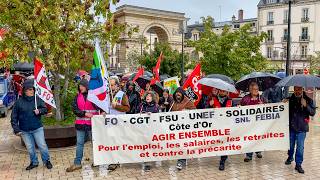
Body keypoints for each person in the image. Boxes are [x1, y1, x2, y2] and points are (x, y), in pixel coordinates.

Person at [11, 79, 52, 170]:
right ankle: (34, 162)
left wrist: (40, 111)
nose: (32, 91)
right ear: (25, 90)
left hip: (37, 127)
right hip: (24, 130)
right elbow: (13, 117)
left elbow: (45, 109)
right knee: (30, 148)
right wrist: (16, 129)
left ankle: (47, 161)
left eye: (33, 89)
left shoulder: (37, 99)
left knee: (42, 145)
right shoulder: (18, 102)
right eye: (30, 89)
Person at [66, 79, 101, 172]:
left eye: (82, 86)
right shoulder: (77, 96)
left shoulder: (93, 96)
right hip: (80, 125)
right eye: (79, 86)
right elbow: (75, 109)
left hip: (92, 124)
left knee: (94, 143)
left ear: (87, 86)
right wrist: (84, 113)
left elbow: (99, 107)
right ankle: (77, 163)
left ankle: (97, 161)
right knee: (79, 144)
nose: (80, 87)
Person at [284, 86, 316, 174]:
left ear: (302, 89)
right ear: (294, 89)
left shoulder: (309, 100)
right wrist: (284, 104)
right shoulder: (289, 99)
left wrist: (306, 105)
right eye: (295, 89)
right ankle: (290, 157)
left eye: (299, 89)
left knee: (300, 147)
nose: (297, 91)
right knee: (290, 145)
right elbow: (283, 111)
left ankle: (298, 164)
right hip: (291, 127)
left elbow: (312, 113)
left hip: (302, 128)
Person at [108, 76, 130, 171]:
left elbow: (127, 108)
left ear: (117, 85)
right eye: (110, 85)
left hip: (119, 122)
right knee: (111, 141)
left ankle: (116, 161)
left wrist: (117, 106)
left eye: (112, 85)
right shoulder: (108, 95)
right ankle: (113, 159)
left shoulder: (122, 95)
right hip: (109, 122)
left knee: (117, 141)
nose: (111, 87)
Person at [170, 87, 196, 170]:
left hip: (185, 128)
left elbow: (195, 112)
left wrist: (185, 111)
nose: (177, 94)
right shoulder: (173, 103)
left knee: (182, 144)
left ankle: (181, 161)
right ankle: (182, 159)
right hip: (175, 128)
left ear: (182, 94)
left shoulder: (188, 102)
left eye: (179, 93)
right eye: (176, 93)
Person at [240, 82, 266, 162]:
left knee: (258, 137)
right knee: (249, 138)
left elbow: (268, 108)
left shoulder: (262, 98)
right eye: (254, 89)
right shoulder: (245, 98)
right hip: (249, 123)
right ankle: (249, 155)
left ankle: (258, 151)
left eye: (257, 89)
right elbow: (240, 108)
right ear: (250, 90)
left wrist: (264, 105)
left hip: (259, 123)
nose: (256, 91)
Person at [210, 89, 233, 171]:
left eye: (224, 91)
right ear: (218, 91)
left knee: (225, 143)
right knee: (220, 142)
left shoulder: (230, 101)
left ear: (227, 92)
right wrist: (210, 105)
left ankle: (222, 161)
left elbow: (234, 112)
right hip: (217, 126)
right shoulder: (213, 99)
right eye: (221, 91)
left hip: (227, 126)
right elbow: (206, 112)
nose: (222, 92)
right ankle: (224, 156)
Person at [139, 91, 160, 171]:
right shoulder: (141, 105)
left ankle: (149, 162)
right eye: (147, 96)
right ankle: (145, 161)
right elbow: (136, 114)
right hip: (142, 128)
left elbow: (158, 117)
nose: (148, 97)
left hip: (151, 129)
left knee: (150, 145)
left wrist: (152, 115)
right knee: (144, 145)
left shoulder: (156, 106)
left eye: (150, 96)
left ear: (153, 98)